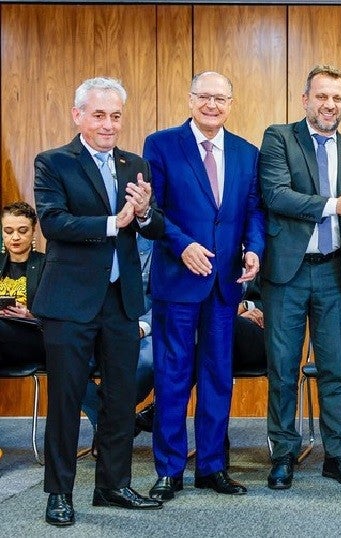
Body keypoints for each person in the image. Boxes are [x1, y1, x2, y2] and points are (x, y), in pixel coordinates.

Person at [33, 77, 165, 526]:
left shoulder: (135, 164)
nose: (108, 124)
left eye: (115, 116)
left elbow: (154, 226)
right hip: (70, 302)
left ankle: (113, 485)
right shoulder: (53, 162)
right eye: (98, 114)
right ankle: (59, 493)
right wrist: (115, 222)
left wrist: (145, 214)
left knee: (119, 399)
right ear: (78, 116)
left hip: (121, 301)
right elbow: (54, 223)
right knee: (67, 400)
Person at [142, 71, 264, 501]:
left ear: (231, 103)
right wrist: (182, 245)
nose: (212, 105)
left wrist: (255, 250)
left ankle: (212, 466)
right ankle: (169, 470)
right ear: (190, 99)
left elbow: (253, 209)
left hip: (225, 282)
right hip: (178, 278)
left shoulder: (248, 152)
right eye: (204, 97)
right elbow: (150, 210)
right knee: (171, 375)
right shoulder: (160, 144)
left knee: (217, 376)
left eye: (220, 98)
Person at [259, 65, 341, 489]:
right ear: (306, 100)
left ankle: (337, 455)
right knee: (283, 369)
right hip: (287, 274)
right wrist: (333, 205)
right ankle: (283, 454)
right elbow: (276, 195)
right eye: (322, 97)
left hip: (332, 273)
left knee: (334, 369)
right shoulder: (279, 138)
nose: (330, 105)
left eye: (337, 98)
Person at [81, 235, 155, 441]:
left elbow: (165, 296)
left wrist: (143, 326)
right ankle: (116, 423)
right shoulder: (96, 237)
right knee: (70, 363)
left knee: (148, 361)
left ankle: (112, 426)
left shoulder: (156, 241)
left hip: (145, 324)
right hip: (99, 323)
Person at [0, 201, 45, 368]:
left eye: (22, 231)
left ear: (33, 231)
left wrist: (30, 315)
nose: (15, 237)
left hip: (33, 337)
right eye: (8, 231)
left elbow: (58, 318)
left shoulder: (47, 265)